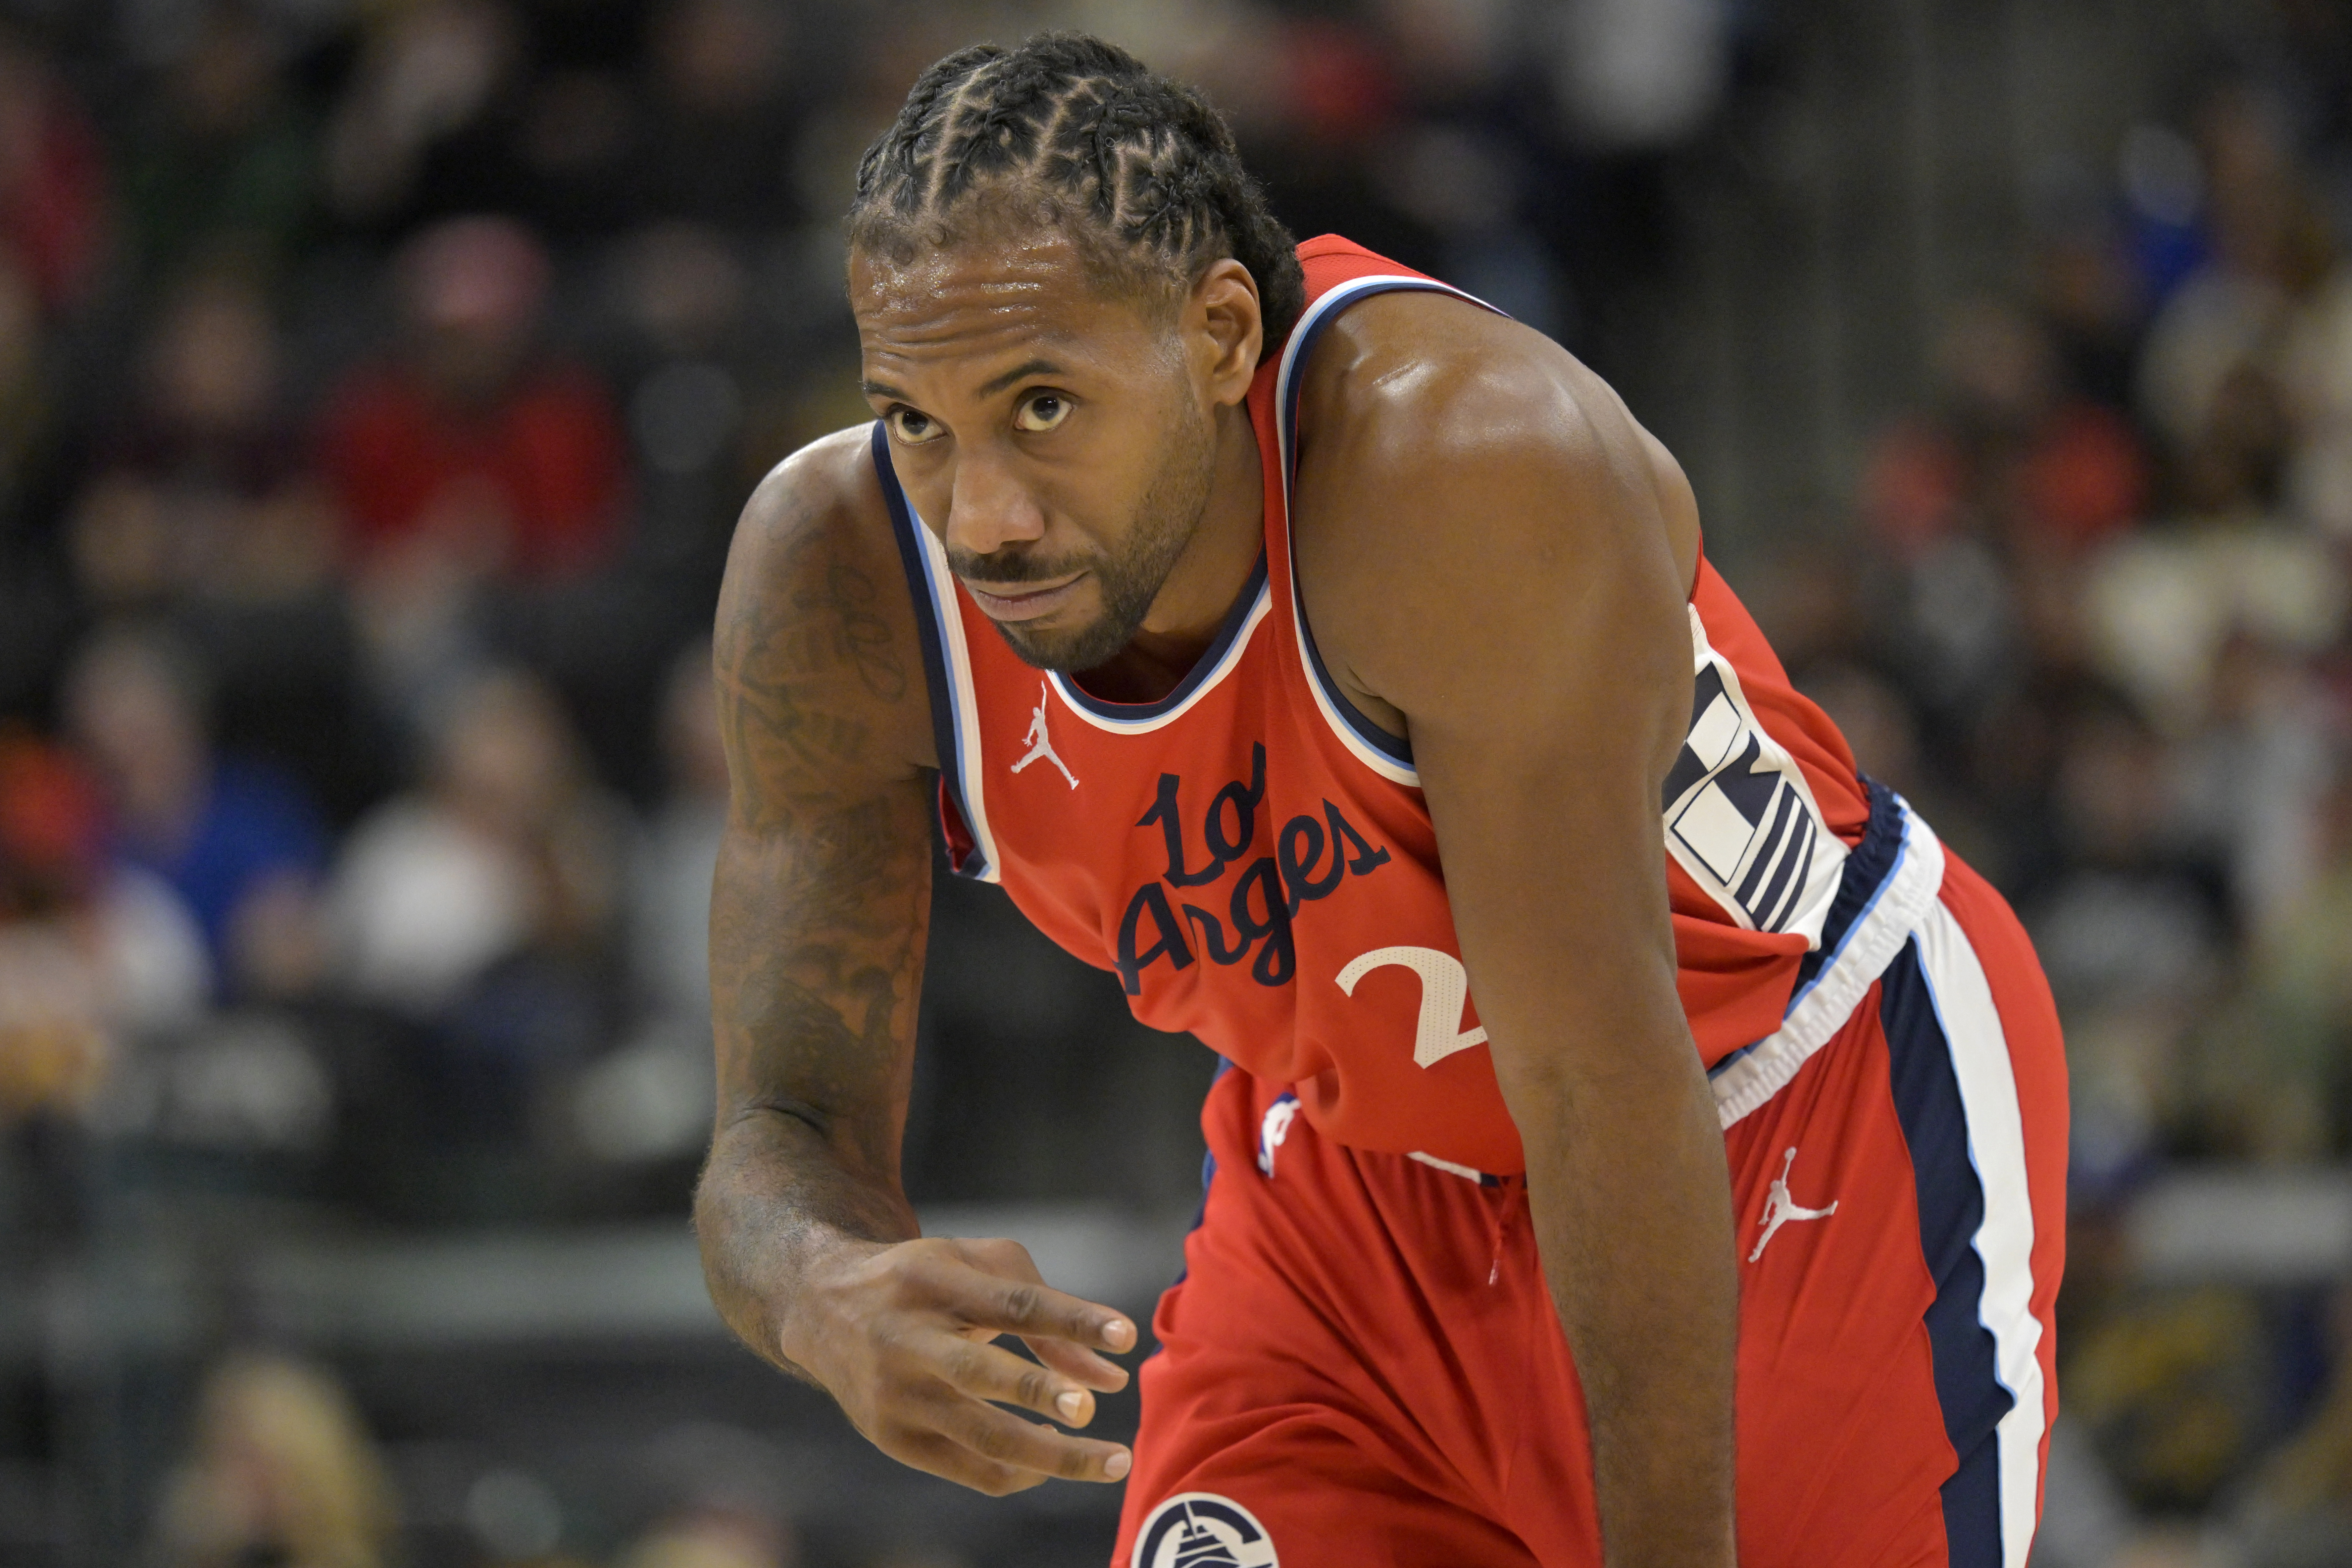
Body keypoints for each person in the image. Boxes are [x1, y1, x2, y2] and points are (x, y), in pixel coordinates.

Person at [694, 33, 2068, 1568]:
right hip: (1352, 1195)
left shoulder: (1460, 467)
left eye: (1042, 407)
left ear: (1221, 337)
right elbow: (777, 1125)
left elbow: (1601, 1086)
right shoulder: (841, 583)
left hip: (1780, 1108)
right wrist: (821, 1288)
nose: (985, 517)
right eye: (919, 420)